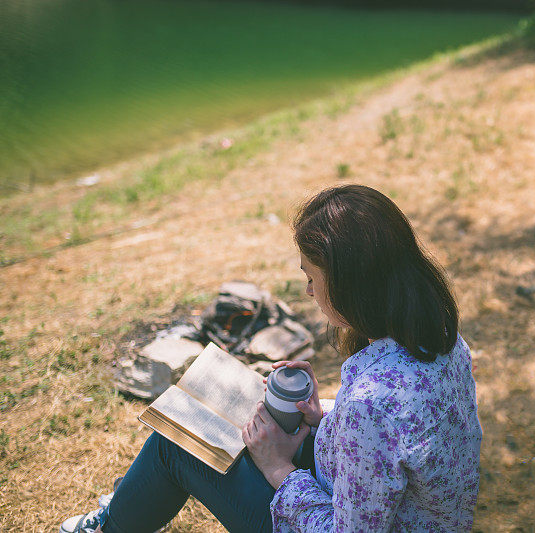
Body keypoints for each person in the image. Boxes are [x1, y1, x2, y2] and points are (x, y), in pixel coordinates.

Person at [60, 184, 483, 533]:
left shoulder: (370, 405)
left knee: (177, 444)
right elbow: (400, 443)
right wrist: (324, 420)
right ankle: (121, 511)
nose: (308, 293)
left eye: (312, 278)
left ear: (353, 285)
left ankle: (111, 525)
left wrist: (278, 467)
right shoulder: (442, 340)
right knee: (215, 415)